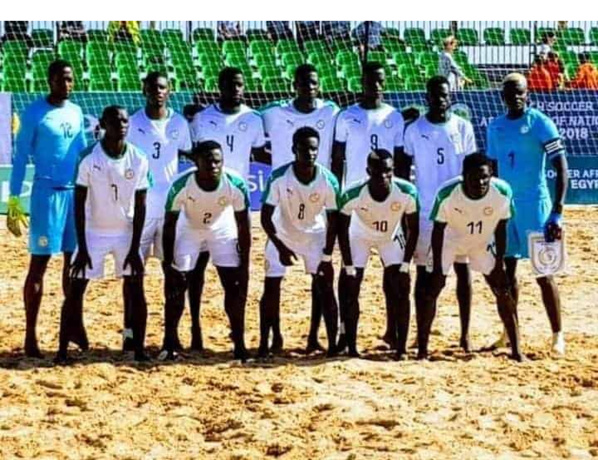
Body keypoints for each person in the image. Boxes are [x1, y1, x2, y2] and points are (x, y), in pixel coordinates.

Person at [55, 106, 151, 363]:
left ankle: (139, 350)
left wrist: (134, 248)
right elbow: (78, 204)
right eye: (115, 120)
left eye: (124, 120)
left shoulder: (139, 158)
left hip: (125, 234)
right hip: (93, 234)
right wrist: (82, 247)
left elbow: (141, 206)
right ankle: (62, 351)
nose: (121, 124)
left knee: (136, 289)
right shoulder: (88, 157)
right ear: (103, 124)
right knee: (75, 290)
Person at [7, 60, 87, 358]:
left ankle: (73, 326)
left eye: (71, 79)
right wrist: (14, 197)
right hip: (45, 196)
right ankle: (30, 335)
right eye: (62, 79)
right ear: (50, 80)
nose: (67, 84)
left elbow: (83, 152)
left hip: (73, 196)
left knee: (74, 264)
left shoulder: (77, 111)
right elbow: (20, 158)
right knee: (39, 266)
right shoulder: (35, 113)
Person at [486, 73, 568, 355]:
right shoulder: (495, 127)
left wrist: (557, 211)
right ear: (503, 97)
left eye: (520, 92)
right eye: (510, 93)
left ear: (527, 94)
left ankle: (557, 335)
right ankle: (510, 332)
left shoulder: (540, 122)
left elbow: (561, 166)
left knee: (544, 273)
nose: (515, 97)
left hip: (536, 207)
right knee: (507, 273)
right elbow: (492, 172)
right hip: (506, 210)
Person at [397, 75, 478, 352]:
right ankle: (423, 336)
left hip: (458, 210)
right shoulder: (413, 130)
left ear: (449, 97)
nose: (440, 99)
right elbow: (403, 172)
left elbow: (472, 169)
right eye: (435, 95)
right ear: (427, 97)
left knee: (462, 268)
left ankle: (465, 334)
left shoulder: (463, 127)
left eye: (444, 95)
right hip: (426, 212)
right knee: (424, 274)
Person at [189, 67, 266, 349]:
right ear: (219, 86)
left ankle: (237, 332)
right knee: (195, 272)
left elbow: (259, 151)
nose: (236, 89)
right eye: (230, 84)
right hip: (200, 203)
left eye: (240, 84)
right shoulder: (201, 119)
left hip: (235, 208)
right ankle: (196, 330)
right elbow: (191, 152)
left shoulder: (253, 119)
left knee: (235, 275)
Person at [420, 153, 524, 362]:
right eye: (475, 178)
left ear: (491, 175)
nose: (480, 182)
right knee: (432, 289)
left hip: (480, 242)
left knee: (502, 289)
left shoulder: (502, 192)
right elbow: (438, 231)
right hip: (450, 240)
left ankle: (517, 350)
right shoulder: (447, 194)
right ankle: (422, 349)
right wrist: (439, 268)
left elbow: (502, 228)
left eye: (485, 177)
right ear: (464, 176)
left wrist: (499, 262)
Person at [332, 61, 405, 349]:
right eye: (370, 80)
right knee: (351, 274)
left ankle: (391, 330)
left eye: (380, 81)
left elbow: (401, 160)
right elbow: (337, 159)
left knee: (393, 273)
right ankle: (344, 332)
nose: (375, 85)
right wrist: (338, 198)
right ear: (360, 82)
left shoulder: (395, 117)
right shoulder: (347, 116)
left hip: (388, 205)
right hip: (355, 206)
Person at [160, 141, 251, 362]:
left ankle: (239, 344)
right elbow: (169, 224)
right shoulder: (181, 185)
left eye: (218, 161)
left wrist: (245, 264)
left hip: (221, 229)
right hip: (189, 229)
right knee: (177, 285)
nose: (214, 165)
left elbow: (243, 225)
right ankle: (169, 342)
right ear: (196, 162)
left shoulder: (235, 183)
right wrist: (167, 263)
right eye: (208, 160)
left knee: (233, 287)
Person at [259, 127, 340, 358]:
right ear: (294, 149)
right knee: (271, 288)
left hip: (314, 237)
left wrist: (326, 255)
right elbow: (265, 217)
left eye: (314, 149)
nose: (310, 153)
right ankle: (270, 340)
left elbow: (334, 220)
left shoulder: (327, 179)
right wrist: (280, 246)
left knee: (324, 288)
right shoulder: (279, 177)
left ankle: (320, 340)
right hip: (282, 235)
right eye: (304, 149)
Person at [126, 71, 192, 350]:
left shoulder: (179, 123)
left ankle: (171, 336)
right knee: (132, 275)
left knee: (174, 274)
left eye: (163, 87)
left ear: (170, 91)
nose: (158, 92)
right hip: (137, 210)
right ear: (144, 90)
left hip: (171, 212)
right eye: (153, 87)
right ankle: (131, 334)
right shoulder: (131, 122)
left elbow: (188, 153)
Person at [338, 150, 419, 359]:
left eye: (388, 172)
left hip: (390, 236)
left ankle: (401, 347)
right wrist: (348, 266)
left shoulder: (407, 191)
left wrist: (405, 264)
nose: (383, 177)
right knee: (350, 287)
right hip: (360, 236)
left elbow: (413, 230)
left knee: (401, 287)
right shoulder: (353, 193)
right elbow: (341, 230)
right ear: (368, 171)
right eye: (377, 172)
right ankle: (351, 346)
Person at [262, 64, 340, 170]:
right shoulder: (273, 112)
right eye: (305, 83)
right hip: (284, 181)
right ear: (294, 86)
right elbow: (247, 120)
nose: (310, 87)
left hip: (319, 181)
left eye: (314, 83)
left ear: (319, 86)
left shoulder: (331, 111)